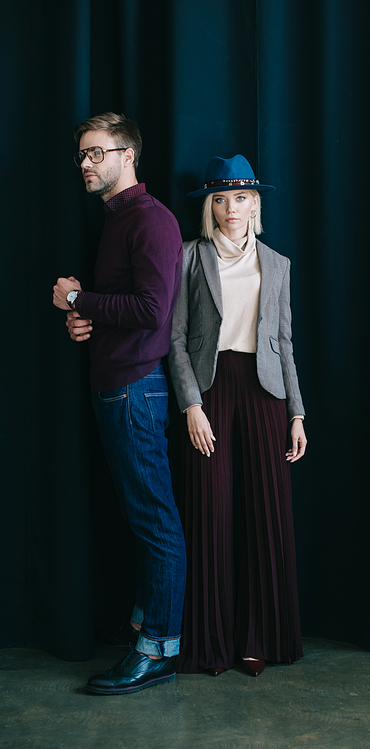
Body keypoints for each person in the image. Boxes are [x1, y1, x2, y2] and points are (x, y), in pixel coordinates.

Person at [52, 112, 186, 695]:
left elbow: (154, 313)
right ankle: (147, 625)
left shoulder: (151, 220)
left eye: (95, 153)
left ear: (126, 155)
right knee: (143, 518)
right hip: (117, 387)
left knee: (156, 521)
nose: (85, 163)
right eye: (81, 155)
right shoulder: (117, 219)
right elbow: (123, 307)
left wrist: (80, 296)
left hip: (136, 392)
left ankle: (158, 649)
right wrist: (87, 320)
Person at [168, 154, 307, 677]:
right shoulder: (189, 257)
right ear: (210, 206)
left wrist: (297, 413)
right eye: (221, 199)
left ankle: (258, 637)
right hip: (211, 392)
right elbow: (176, 339)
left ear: (256, 204)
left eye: (242, 198)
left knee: (265, 516)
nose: (232, 208)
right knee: (209, 512)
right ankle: (209, 642)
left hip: (266, 396)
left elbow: (285, 342)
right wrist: (191, 406)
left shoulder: (277, 264)